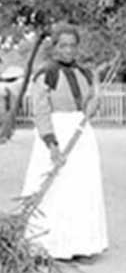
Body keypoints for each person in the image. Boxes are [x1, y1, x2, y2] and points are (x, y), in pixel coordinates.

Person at [21, 24, 108, 261]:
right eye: (63, 45)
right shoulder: (45, 74)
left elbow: (88, 105)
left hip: (81, 135)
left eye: (72, 45)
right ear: (54, 47)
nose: (68, 50)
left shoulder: (85, 73)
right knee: (57, 189)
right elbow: (40, 111)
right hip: (55, 135)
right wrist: (52, 144)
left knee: (81, 187)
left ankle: (81, 245)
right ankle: (51, 247)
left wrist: (93, 104)